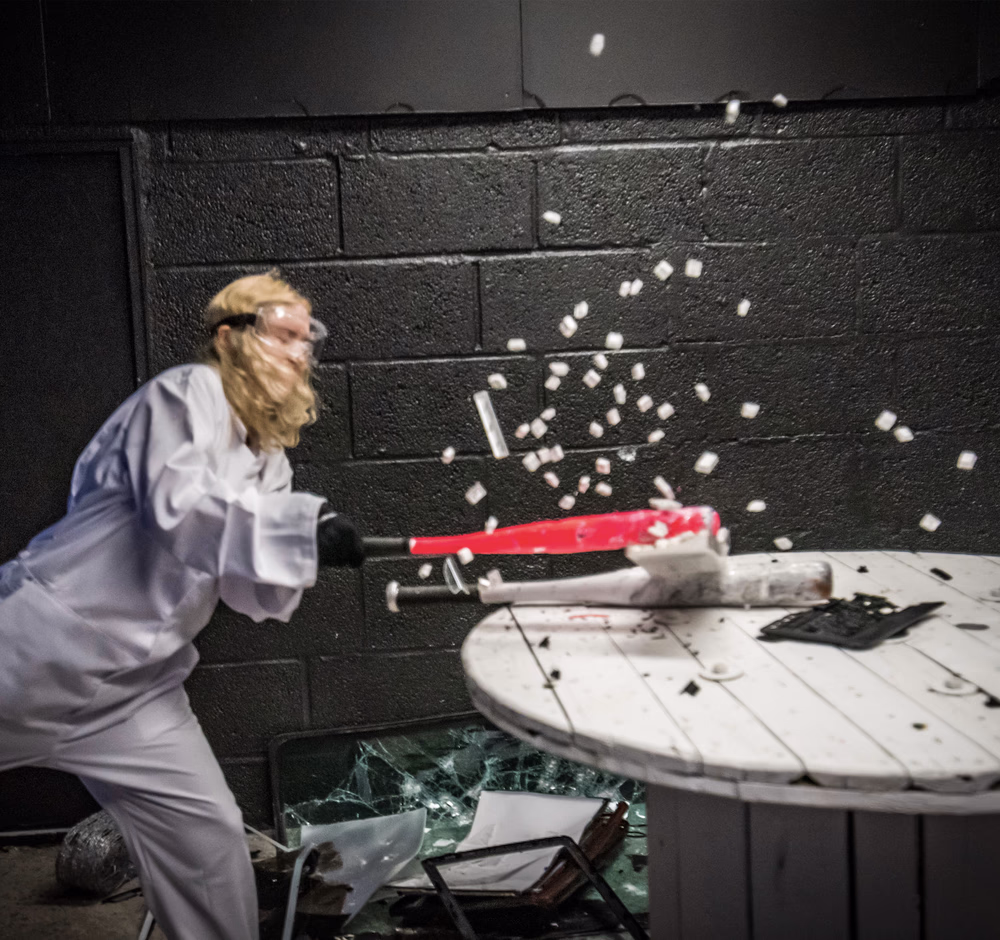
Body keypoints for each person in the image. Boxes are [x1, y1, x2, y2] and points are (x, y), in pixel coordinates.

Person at [0, 271, 363, 939]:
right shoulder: (184, 395)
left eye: (307, 339)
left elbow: (250, 592)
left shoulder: (268, 458)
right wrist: (293, 531)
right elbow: (180, 512)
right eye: (283, 334)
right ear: (229, 338)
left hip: (134, 693)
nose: (300, 352)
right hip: (38, 649)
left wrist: (305, 549)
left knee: (208, 841)